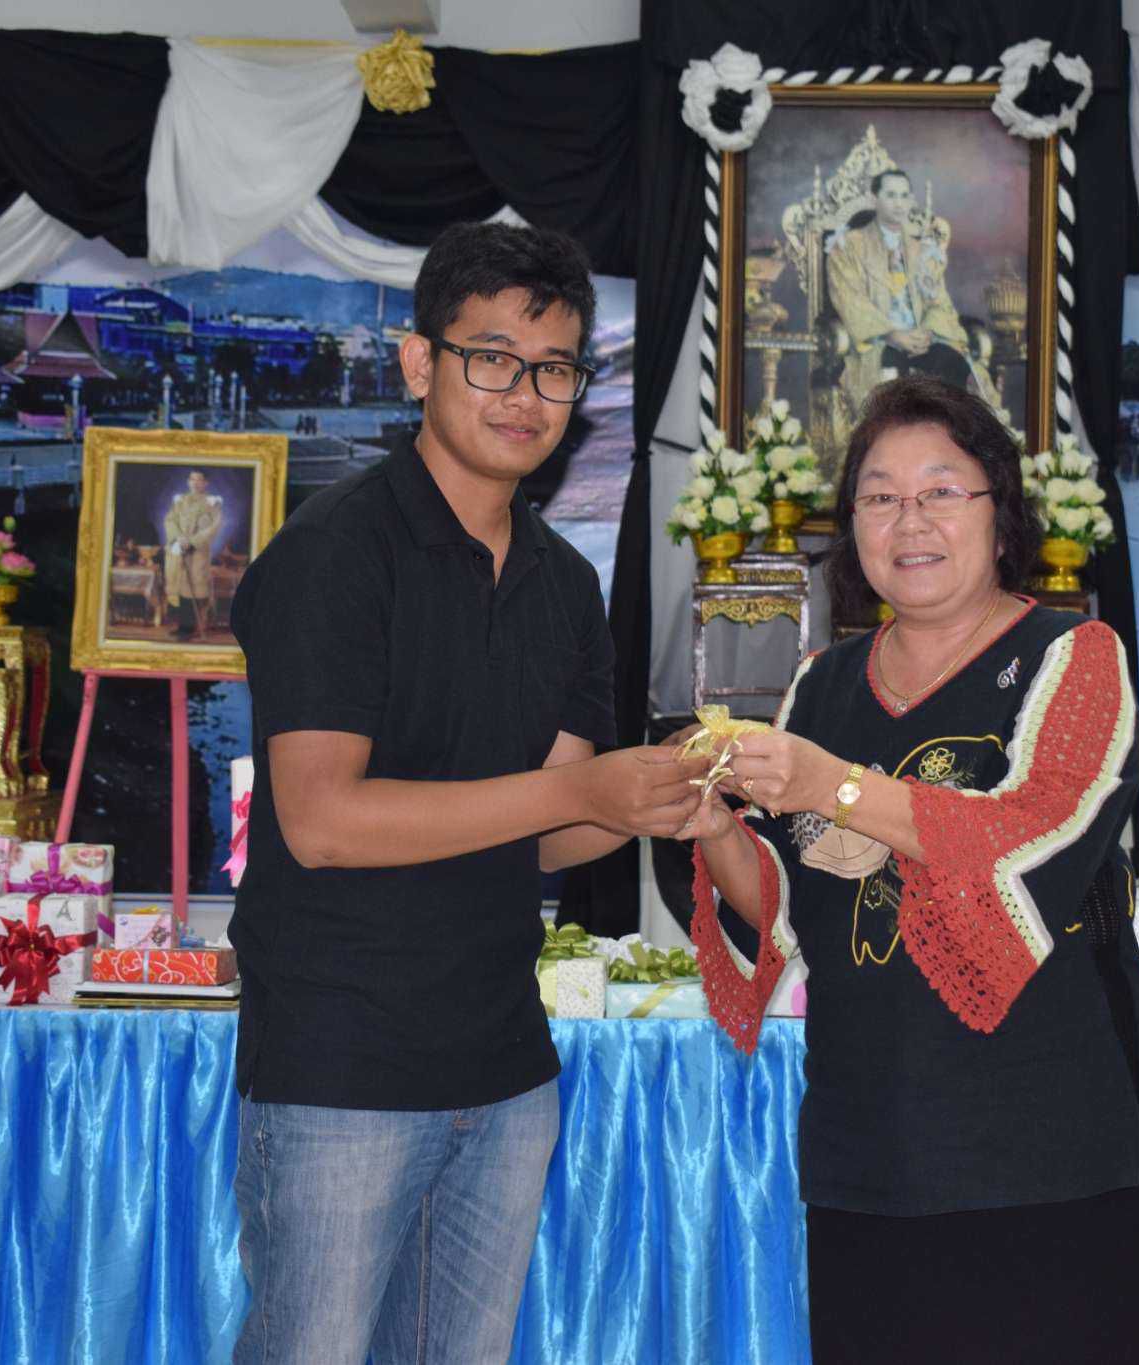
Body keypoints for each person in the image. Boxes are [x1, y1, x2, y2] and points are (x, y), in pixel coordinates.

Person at [228, 221, 712, 1365]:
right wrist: (581, 789)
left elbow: (550, 833)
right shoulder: (335, 554)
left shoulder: (563, 582)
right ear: (418, 364)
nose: (523, 396)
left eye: (553, 369)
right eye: (491, 358)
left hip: (503, 1068)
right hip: (340, 1067)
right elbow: (323, 822)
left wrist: (661, 797)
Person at [681, 376, 1139, 1364]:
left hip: (1050, 1154)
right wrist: (709, 826)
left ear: (1001, 514)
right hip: (869, 1148)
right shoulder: (821, 685)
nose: (908, 521)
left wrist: (834, 786)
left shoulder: (1073, 656)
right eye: (879, 496)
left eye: (941, 491)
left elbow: (1033, 841)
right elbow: (784, 904)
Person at [826, 169, 1000, 416]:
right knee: (891, 374)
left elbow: (939, 301)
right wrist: (892, 334)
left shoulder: (922, 250)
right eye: (891, 195)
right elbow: (849, 299)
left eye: (904, 195)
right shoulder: (848, 245)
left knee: (952, 362)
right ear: (874, 199)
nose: (899, 203)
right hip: (877, 342)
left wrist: (926, 332)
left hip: (921, 340)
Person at [164, 469, 221, 638]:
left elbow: (213, 527)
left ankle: (191, 628)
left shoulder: (212, 503)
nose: (195, 483)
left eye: (199, 480)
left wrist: (192, 542)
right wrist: (178, 537)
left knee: (193, 588)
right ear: (188, 482)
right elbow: (170, 520)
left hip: (197, 552)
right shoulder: (180, 501)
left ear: (205, 483)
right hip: (179, 549)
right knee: (179, 587)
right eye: (192, 479)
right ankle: (182, 626)